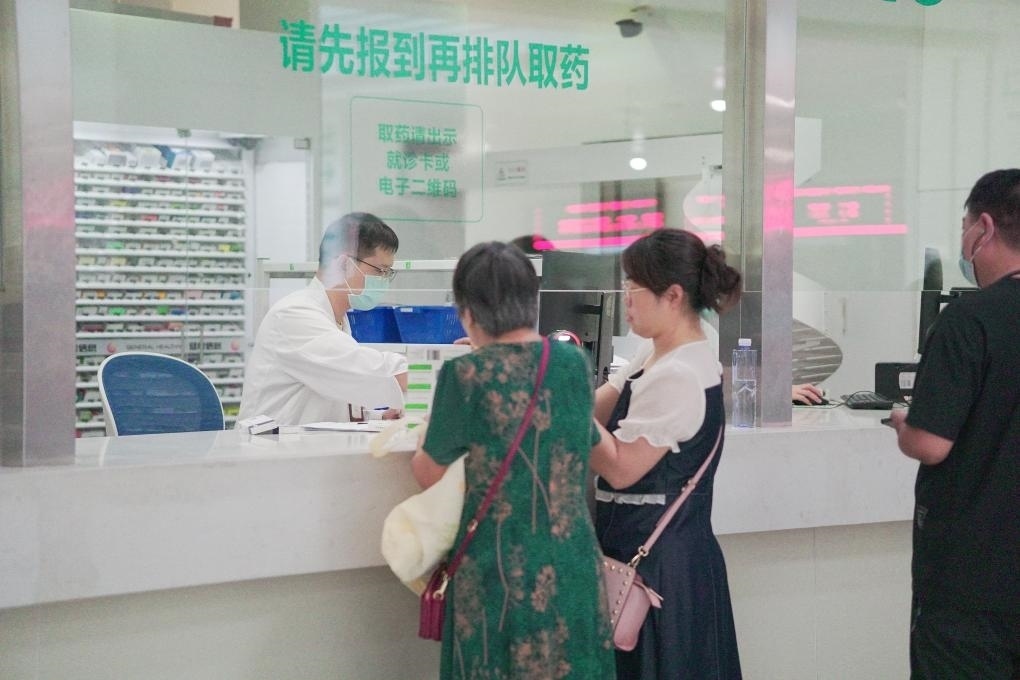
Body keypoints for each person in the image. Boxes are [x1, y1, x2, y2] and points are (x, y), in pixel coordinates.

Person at [411, 241, 615, 679]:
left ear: (468, 310)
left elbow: (429, 472)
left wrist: (426, 429)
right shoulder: (572, 362)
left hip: (497, 568)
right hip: (572, 563)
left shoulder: (464, 373)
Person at [591, 228, 743, 679]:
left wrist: (555, 398)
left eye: (633, 287)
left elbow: (621, 468)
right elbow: (596, 409)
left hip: (660, 571)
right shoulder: (656, 353)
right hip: (648, 557)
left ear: (673, 296)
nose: (626, 299)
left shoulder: (679, 373)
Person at [887, 168, 1020, 680]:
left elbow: (931, 444)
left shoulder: (970, 319)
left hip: (972, 580)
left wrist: (903, 423)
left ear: (983, 227)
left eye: (964, 226)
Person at [237, 212, 408, 426]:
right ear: (345, 264)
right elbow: (364, 368)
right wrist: (426, 370)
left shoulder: (336, 318)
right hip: (271, 444)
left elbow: (333, 393)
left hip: (306, 441)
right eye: (380, 271)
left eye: (388, 273)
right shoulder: (295, 314)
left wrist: (377, 416)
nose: (384, 280)